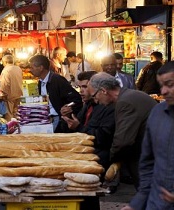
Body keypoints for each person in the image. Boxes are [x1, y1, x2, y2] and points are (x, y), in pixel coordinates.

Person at [87, 72, 157, 189]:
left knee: (149, 194)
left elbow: (123, 141)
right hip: (149, 154)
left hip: (150, 157)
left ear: (103, 90)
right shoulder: (128, 96)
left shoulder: (125, 102)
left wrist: (111, 161)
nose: (96, 101)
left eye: (94, 96)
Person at [121, 61, 174, 210]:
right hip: (156, 203)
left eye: (169, 85)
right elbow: (147, 163)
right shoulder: (157, 113)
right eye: (161, 85)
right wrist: (137, 203)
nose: (163, 91)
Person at [60, 71, 116, 193]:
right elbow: (73, 130)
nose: (81, 91)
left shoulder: (107, 106)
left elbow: (103, 138)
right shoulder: (87, 105)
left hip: (97, 159)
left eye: (85, 87)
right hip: (83, 157)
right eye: (79, 87)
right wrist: (67, 118)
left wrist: (78, 126)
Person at [28, 54, 83, 132]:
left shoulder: (58, 80)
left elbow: (76, 99)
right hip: (48, 119)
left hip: (58, 120)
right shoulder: (40, 82)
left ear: (40, 68)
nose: (30, 70)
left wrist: (69, 107)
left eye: (32, 67)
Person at [0, 54, 23, 121]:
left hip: (9, 95)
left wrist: (3, 94)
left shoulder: (6, 70)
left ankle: (10, 128)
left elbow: (4, 84)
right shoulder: (18, 68)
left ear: (5, 62)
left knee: (9, 114)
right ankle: (16, 127)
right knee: (16, 113)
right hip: (18, 94)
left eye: (3, 62)